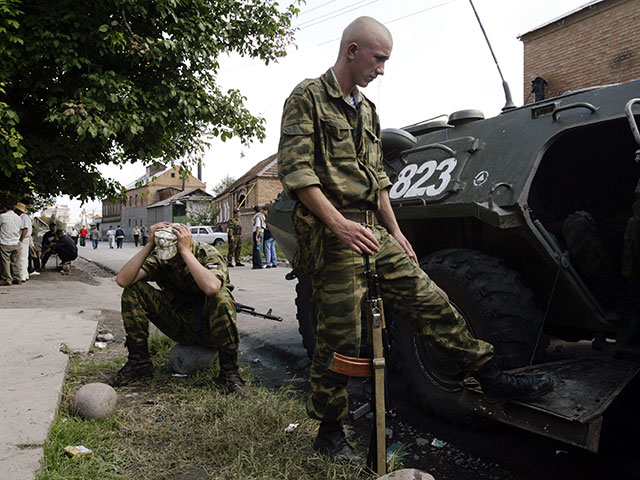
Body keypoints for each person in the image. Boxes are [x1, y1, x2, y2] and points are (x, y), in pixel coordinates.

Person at [277, 16, 554, 461]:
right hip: (336, 235)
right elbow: (297, 172)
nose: (382, 69)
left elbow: (379, 179)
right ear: (352, 51)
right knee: (341, 341)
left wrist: (398, 232)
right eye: (379, 58)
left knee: (431, 300)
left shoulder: (366, 110)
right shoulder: (307, 97)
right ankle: (329, 431)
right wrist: (339, 225)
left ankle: (487, 372)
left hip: (374, 229)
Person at [108, 222, 248, 395]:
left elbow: (212, 287)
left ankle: (229, 372)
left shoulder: (206, 253)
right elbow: (123, 280)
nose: (172, 263)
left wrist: (185, 252)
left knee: (221, 296)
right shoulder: (163, 259)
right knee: (134, 290)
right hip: (181, 324)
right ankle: (140, 363)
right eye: (169, 259)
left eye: (175, 258)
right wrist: (150, 244)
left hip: (211, 330)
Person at [0, 204, 23, 285]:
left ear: (5, 208)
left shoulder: (2, 216)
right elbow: (21, 229)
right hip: (16, 242)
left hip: (5, 242)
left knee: (5, 261)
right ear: (13, 209)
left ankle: (7, 279)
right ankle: (17, 278)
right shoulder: (19, 218)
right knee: (15, 261)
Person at [14, 202, 32, 282]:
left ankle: (22, 276)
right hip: (26, 238)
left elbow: (25, 229)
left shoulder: (23, 217)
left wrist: (21, 239)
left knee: (21, 258)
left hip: (23, 238)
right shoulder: (26, 217)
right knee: (25, 258)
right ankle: (25, 274)